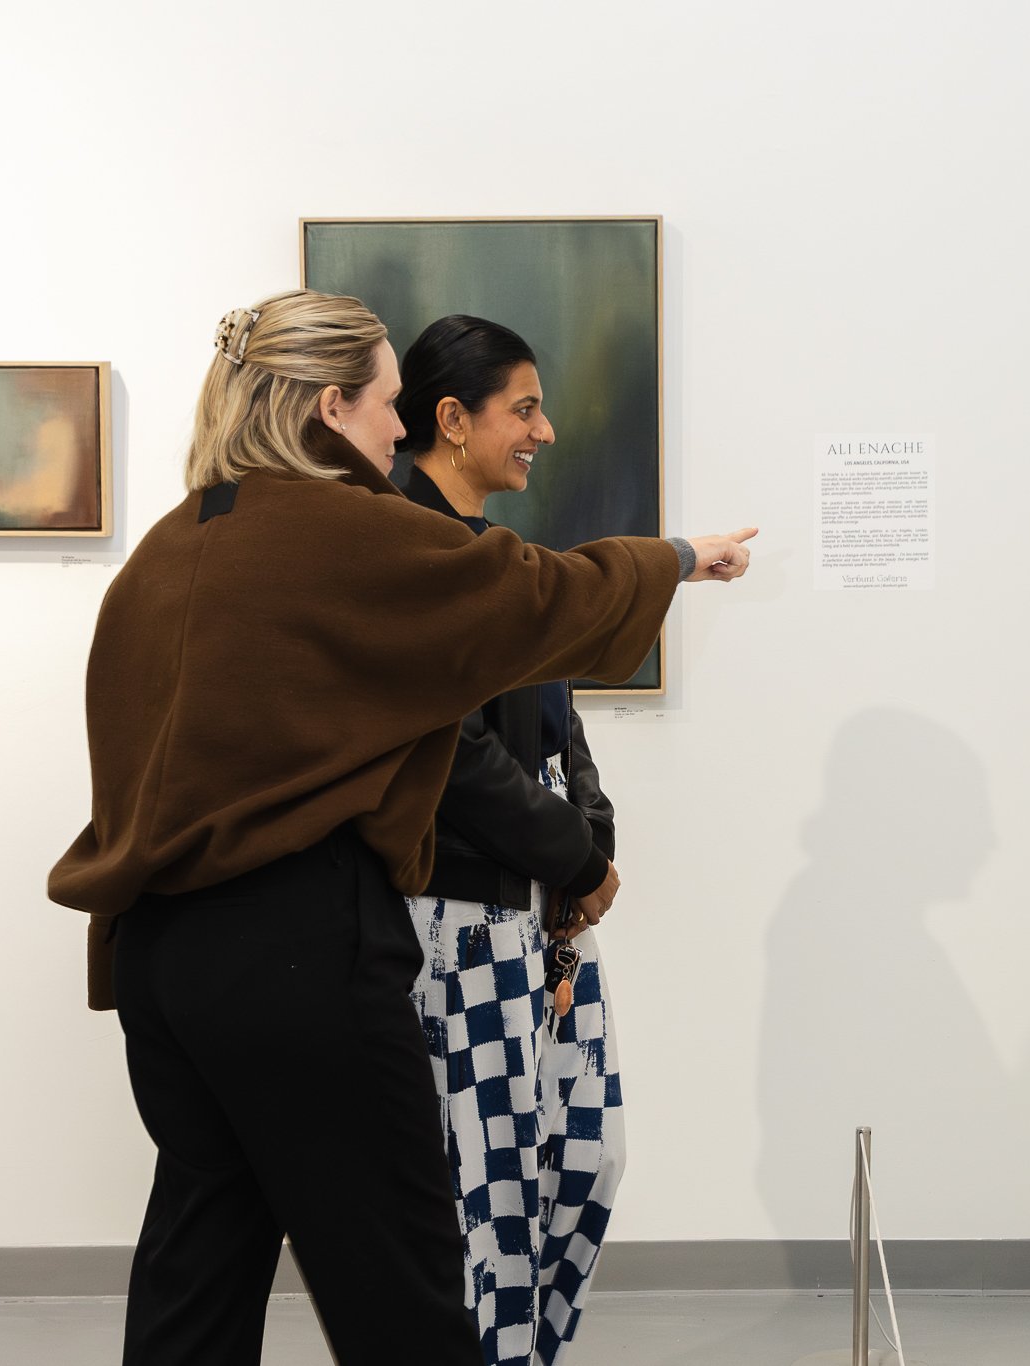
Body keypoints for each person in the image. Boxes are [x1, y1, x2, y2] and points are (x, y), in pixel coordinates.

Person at [46, 289, 755, 1366]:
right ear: (331, 406)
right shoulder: (343, 531)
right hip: (296, 954)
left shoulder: (168, 547)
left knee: (199, 1270)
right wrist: (674, 556)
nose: (397, 425)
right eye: (385, 402)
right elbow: (532, 601)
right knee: (403, 1293)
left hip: (163, 963)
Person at [394, 314, 638, 1363]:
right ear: (451, 420)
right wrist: (574, 857)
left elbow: (556, 718)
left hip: (541, 915)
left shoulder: (502, 555)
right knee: (482, 1204)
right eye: (523, 407)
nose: (545, 428)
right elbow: (449, 759)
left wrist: (590, 835)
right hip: (459, 918)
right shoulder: (408, 551)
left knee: (583, 1162)